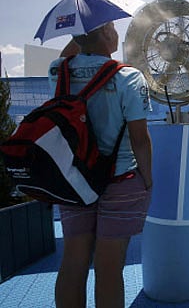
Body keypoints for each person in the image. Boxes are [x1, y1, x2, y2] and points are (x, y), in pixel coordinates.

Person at [48, 21, 153, 308]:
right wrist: (147, 180)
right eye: (113, 28)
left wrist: (81, 31)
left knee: (72, 263)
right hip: (119, 181)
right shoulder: (129, 77)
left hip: (72, 181)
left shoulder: (58, 71)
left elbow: (74, 51)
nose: (118, 33)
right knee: (109, 268)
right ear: (106, 33)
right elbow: (140, 139)